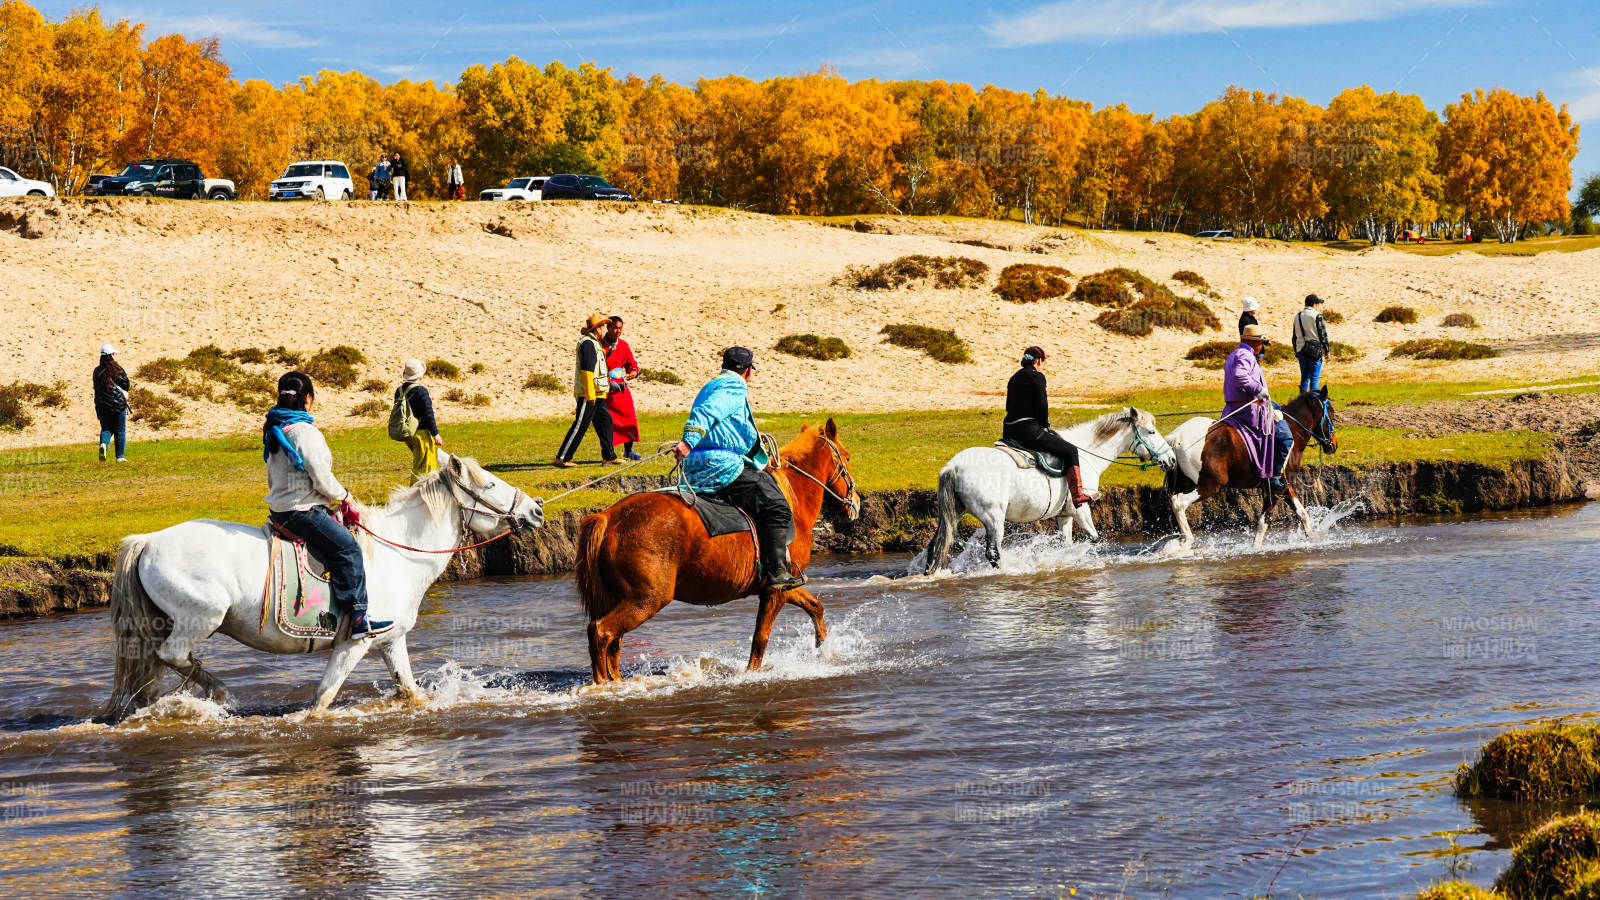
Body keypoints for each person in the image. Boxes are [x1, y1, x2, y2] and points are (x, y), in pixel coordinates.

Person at [263, 371, 389, 638]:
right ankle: (358, 619)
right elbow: (320, 478)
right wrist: (345, 496)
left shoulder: (274, 427)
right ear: (308, 400)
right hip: (302, 511)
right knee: (349, 549)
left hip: (280, 510)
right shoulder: (303, 432)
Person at [673, 347, 805, 591]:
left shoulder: (711, 384)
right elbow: (709, 411)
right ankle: (776, 571)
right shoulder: (734, 386)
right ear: (748, 371)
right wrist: (688, 440)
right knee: (776, 505)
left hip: (698, 466)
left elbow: (726, 421)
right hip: (720, 466)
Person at [1001, 346, 1093, 506]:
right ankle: (1077, 495)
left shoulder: (1014, 377)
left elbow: (1009, 406)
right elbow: (1042, 404)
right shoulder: (1037, 377)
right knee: (1071, 451)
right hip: (1028, 431)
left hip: (1009, 430)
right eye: (1043, 361)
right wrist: (1044, 423)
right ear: (1038, 360)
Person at [1224, 325, 1293, 491]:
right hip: (1250, 410)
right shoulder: (1245, 355)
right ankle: (1275, 476)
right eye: (1262, 343)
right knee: (1285, 437)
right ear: (1256, 343)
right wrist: (1257, 389)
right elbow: (1240, 376)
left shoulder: (1234, 354)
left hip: (1234, 407)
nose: (1262, 346)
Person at [554, 315, 619, 468]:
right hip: (589, 394)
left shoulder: (594, 343)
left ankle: (609, 456)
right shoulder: (588, 344)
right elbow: (587, 371)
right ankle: (562, 458)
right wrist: (590, 394)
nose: (606, 329)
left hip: (597, 393)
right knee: (581, 425)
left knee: (606, 423)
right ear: (597, 329)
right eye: (603, 326)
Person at [395, 358, 444, 483]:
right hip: (421, 433)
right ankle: (415, 494)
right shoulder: (421, 391)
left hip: (408, 433)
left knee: (420, 462)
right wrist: (435, 433)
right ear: (420, 375)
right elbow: (428, 414)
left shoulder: (400, 390)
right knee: (424, 466)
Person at [604, 316, 642, 460]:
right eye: (615, 328)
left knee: (629, 418)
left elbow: (631, 363)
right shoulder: (601, 346)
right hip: (606, 389)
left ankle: (628, 451)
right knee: (609, 422)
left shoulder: (624, 346)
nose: (618, 331)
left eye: (620, 328)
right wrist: (609, 381)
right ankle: (609, 453)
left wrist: (634, 371)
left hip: (621, 388)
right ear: (608, 328)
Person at [93, 343, 130, 463]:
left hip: (102, 405)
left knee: (106, 429)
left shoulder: (97, 371)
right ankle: (120, 456)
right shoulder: (117, 369)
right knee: (120, 430)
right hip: (118, 405)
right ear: (112, 355)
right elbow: (126, 385)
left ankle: (103, 445)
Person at [1291, 294, 1331, 394]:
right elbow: (1323, 335)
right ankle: (1314, 402)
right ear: (1314, 304)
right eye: (1318, 304)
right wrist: (1327, 351)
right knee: (1314, 378)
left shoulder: (1298, 316)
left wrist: (1296, 351)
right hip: (1314, 351)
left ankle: (1302, 402)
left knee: (1304, 378)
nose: (1318, 306)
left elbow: (1294, 336)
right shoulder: (1317, 315)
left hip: (1301, 349)